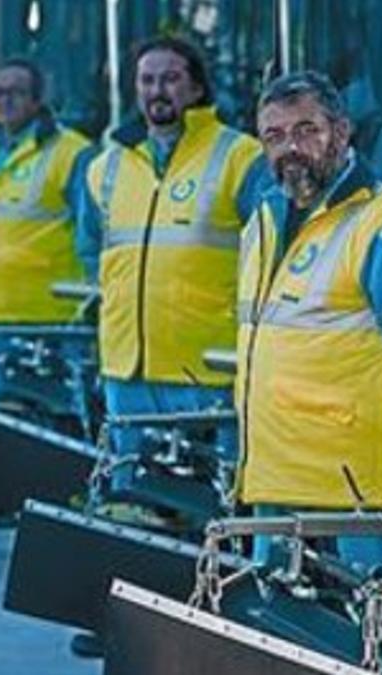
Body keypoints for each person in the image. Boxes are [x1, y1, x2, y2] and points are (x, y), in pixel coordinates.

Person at [235, 71, 382, 571]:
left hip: (360, 486)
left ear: (341, 132)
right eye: (273, 136)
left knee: (369, 634)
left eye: (305, 131)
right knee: (262, 635)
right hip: (275, 473)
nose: (289, 148)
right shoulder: (264, 220)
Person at [77, 36, 268, 508]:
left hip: (207, 370)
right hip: (128, 370)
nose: (156, 90)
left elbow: (270, 255)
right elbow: (89, 249)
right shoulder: (107, 166)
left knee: (211, 506)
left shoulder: (241, 158)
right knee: (132, 508)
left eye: (170, 78)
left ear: (197, 88)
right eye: (146, 79)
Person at [0, 58, 94, 527]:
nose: (4, 101)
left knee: (49, 416)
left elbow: (91, 235)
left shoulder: (71, 154)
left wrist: (92, 301)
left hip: (45, 312)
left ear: (37, 99)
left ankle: (30, 504)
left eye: (15, 92)